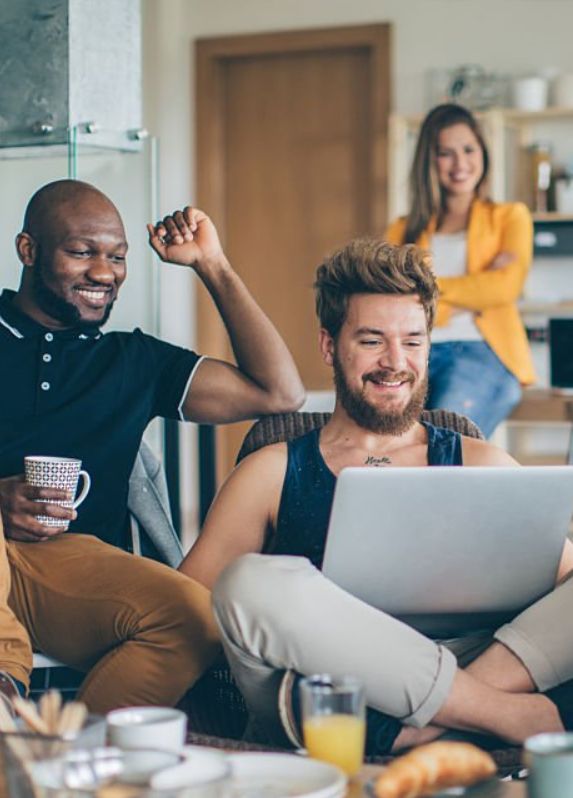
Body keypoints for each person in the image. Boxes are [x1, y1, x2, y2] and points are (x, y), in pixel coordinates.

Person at [0, 179, 305, 714]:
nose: (104, 273)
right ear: (28, 250)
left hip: (63, 571)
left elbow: (279, 393)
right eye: (82, 252)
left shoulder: (133, 361)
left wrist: (212, 265)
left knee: (195, 618)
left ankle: (63, 762)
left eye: (118, 257)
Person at [178, 237, 573, 754]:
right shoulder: (271, 471)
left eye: (413, 341)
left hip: (456, 663)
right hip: (324, 682)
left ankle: (422, 728)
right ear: (328, 346)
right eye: (371, 341)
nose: (395, 362)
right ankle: (500, 713)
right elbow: (182, 607)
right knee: (249, 583)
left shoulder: (484, 463)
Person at [385, 103, 535, 438]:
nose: (460, 163)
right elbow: (391, 298)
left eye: (469, 149)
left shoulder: (511, 217)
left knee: (442, 438)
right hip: (413, 352)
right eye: (445, 153)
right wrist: (474, 291)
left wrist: (426, 289)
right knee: (388, 439)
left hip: (482, 351)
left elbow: (505, 288)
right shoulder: (401, 230)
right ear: (429, 160)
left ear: (483, 151)